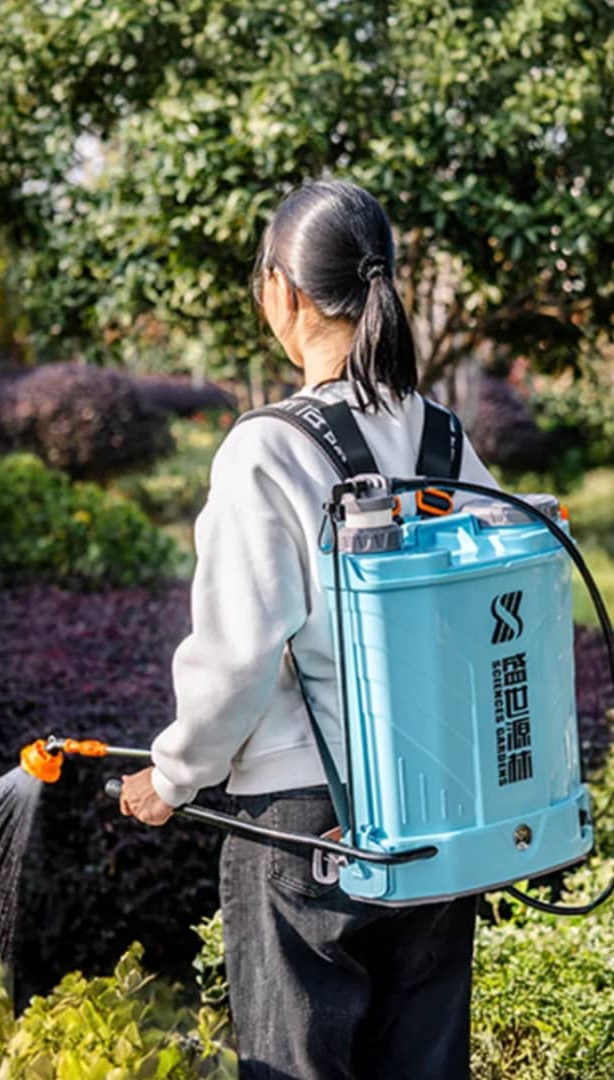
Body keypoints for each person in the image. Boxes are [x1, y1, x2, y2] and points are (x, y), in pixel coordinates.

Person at [120, 179, 498, 1079]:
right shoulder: (444, 438)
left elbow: (240, 652)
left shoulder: (269, 445)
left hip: (305, 825)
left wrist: (172, 776)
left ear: (281, 292)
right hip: (440, 810)